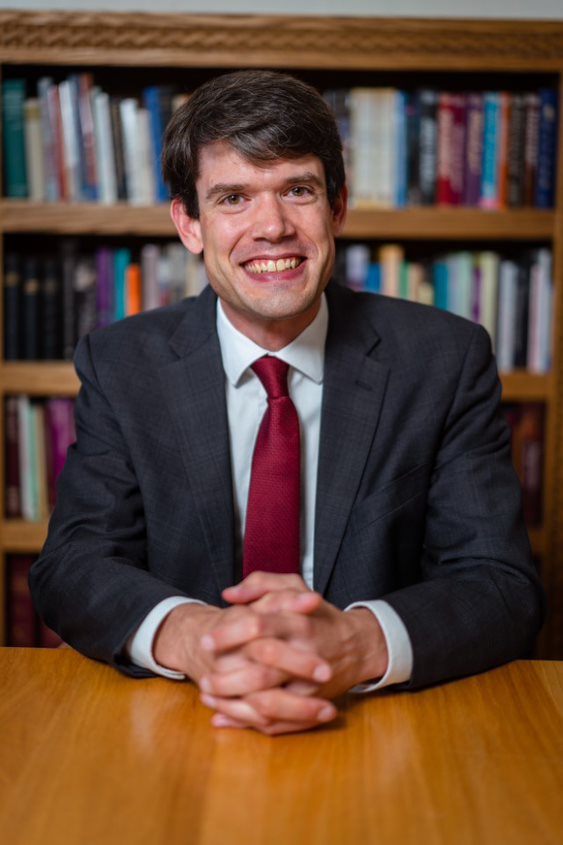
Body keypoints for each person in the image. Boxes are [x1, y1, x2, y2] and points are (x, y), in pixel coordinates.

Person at [30, 70, 544, 736]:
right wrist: (200, 639)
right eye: (233, 197)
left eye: (296, 190)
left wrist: (356, 643)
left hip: (382, 725)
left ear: (336, 209)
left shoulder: (443, 359)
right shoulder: (123, 364)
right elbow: (72, 565)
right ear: (189, 224)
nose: (270, 227)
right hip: (182, 718)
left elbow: (500, 584)